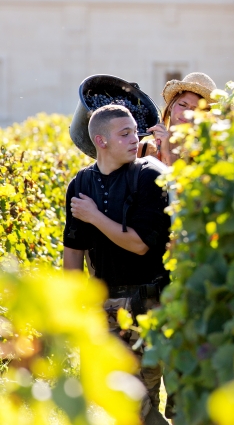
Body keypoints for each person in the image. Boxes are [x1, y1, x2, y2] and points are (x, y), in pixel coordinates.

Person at [63, 105, 171, 425]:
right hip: (101, 304)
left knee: (140, 398)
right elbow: (73, 253)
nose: (133, 139)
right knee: (106, 395)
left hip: (147, 304)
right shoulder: (81, 183)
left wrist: (94, 216)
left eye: (134, 132)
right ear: (101, 140)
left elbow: (139, 245)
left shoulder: (149, 177)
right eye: (124, 133)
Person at [142, 72, 217, 165]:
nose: (187, 113)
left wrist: (165, 153)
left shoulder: (203, 157)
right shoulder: (142, 149)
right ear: (170, 105)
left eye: (195, 109)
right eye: (182, 105)